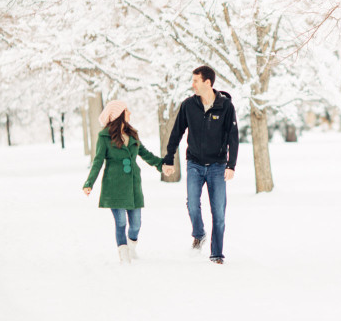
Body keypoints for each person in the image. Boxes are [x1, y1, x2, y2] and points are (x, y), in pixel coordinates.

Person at [162, 65, 239, 264]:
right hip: (195, 163)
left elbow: (233, 137)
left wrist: (231, 165)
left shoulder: (225, 106)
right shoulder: (189, 105)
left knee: (219, 212)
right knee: (193, 205)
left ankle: (216, 254)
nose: (193, 84)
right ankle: (199, 233)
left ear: (208, 82)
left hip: (217, 166)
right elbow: (176, 133)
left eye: (196, 80)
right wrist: (169, 158)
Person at [83, 100, 164, 264]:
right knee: (120, 222)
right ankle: (123, 252)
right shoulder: (104, 137)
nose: (130, 112)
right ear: (118, 114)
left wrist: (161, 164)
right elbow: (98, 161)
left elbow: (145, 153)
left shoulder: (133, 134)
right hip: (114, 186)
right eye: (127, 110)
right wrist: (89, 182)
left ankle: (131, 246)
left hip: (133, 185)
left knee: (136, 224)